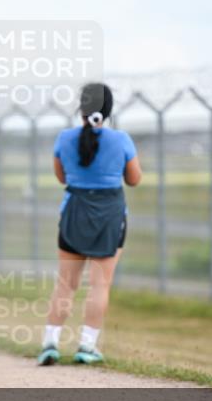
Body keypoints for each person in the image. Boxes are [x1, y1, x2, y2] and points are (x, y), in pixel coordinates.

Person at [38, 83, 141, 366]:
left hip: (74, 212)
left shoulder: (64, 138)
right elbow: (134, 179)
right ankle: (87, 346)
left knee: (66, 284)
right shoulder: (121, 139)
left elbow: (62, 177)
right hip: (110, 217)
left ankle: (50, 343)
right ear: (109, 110)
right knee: (100, 285)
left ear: (81, 107)